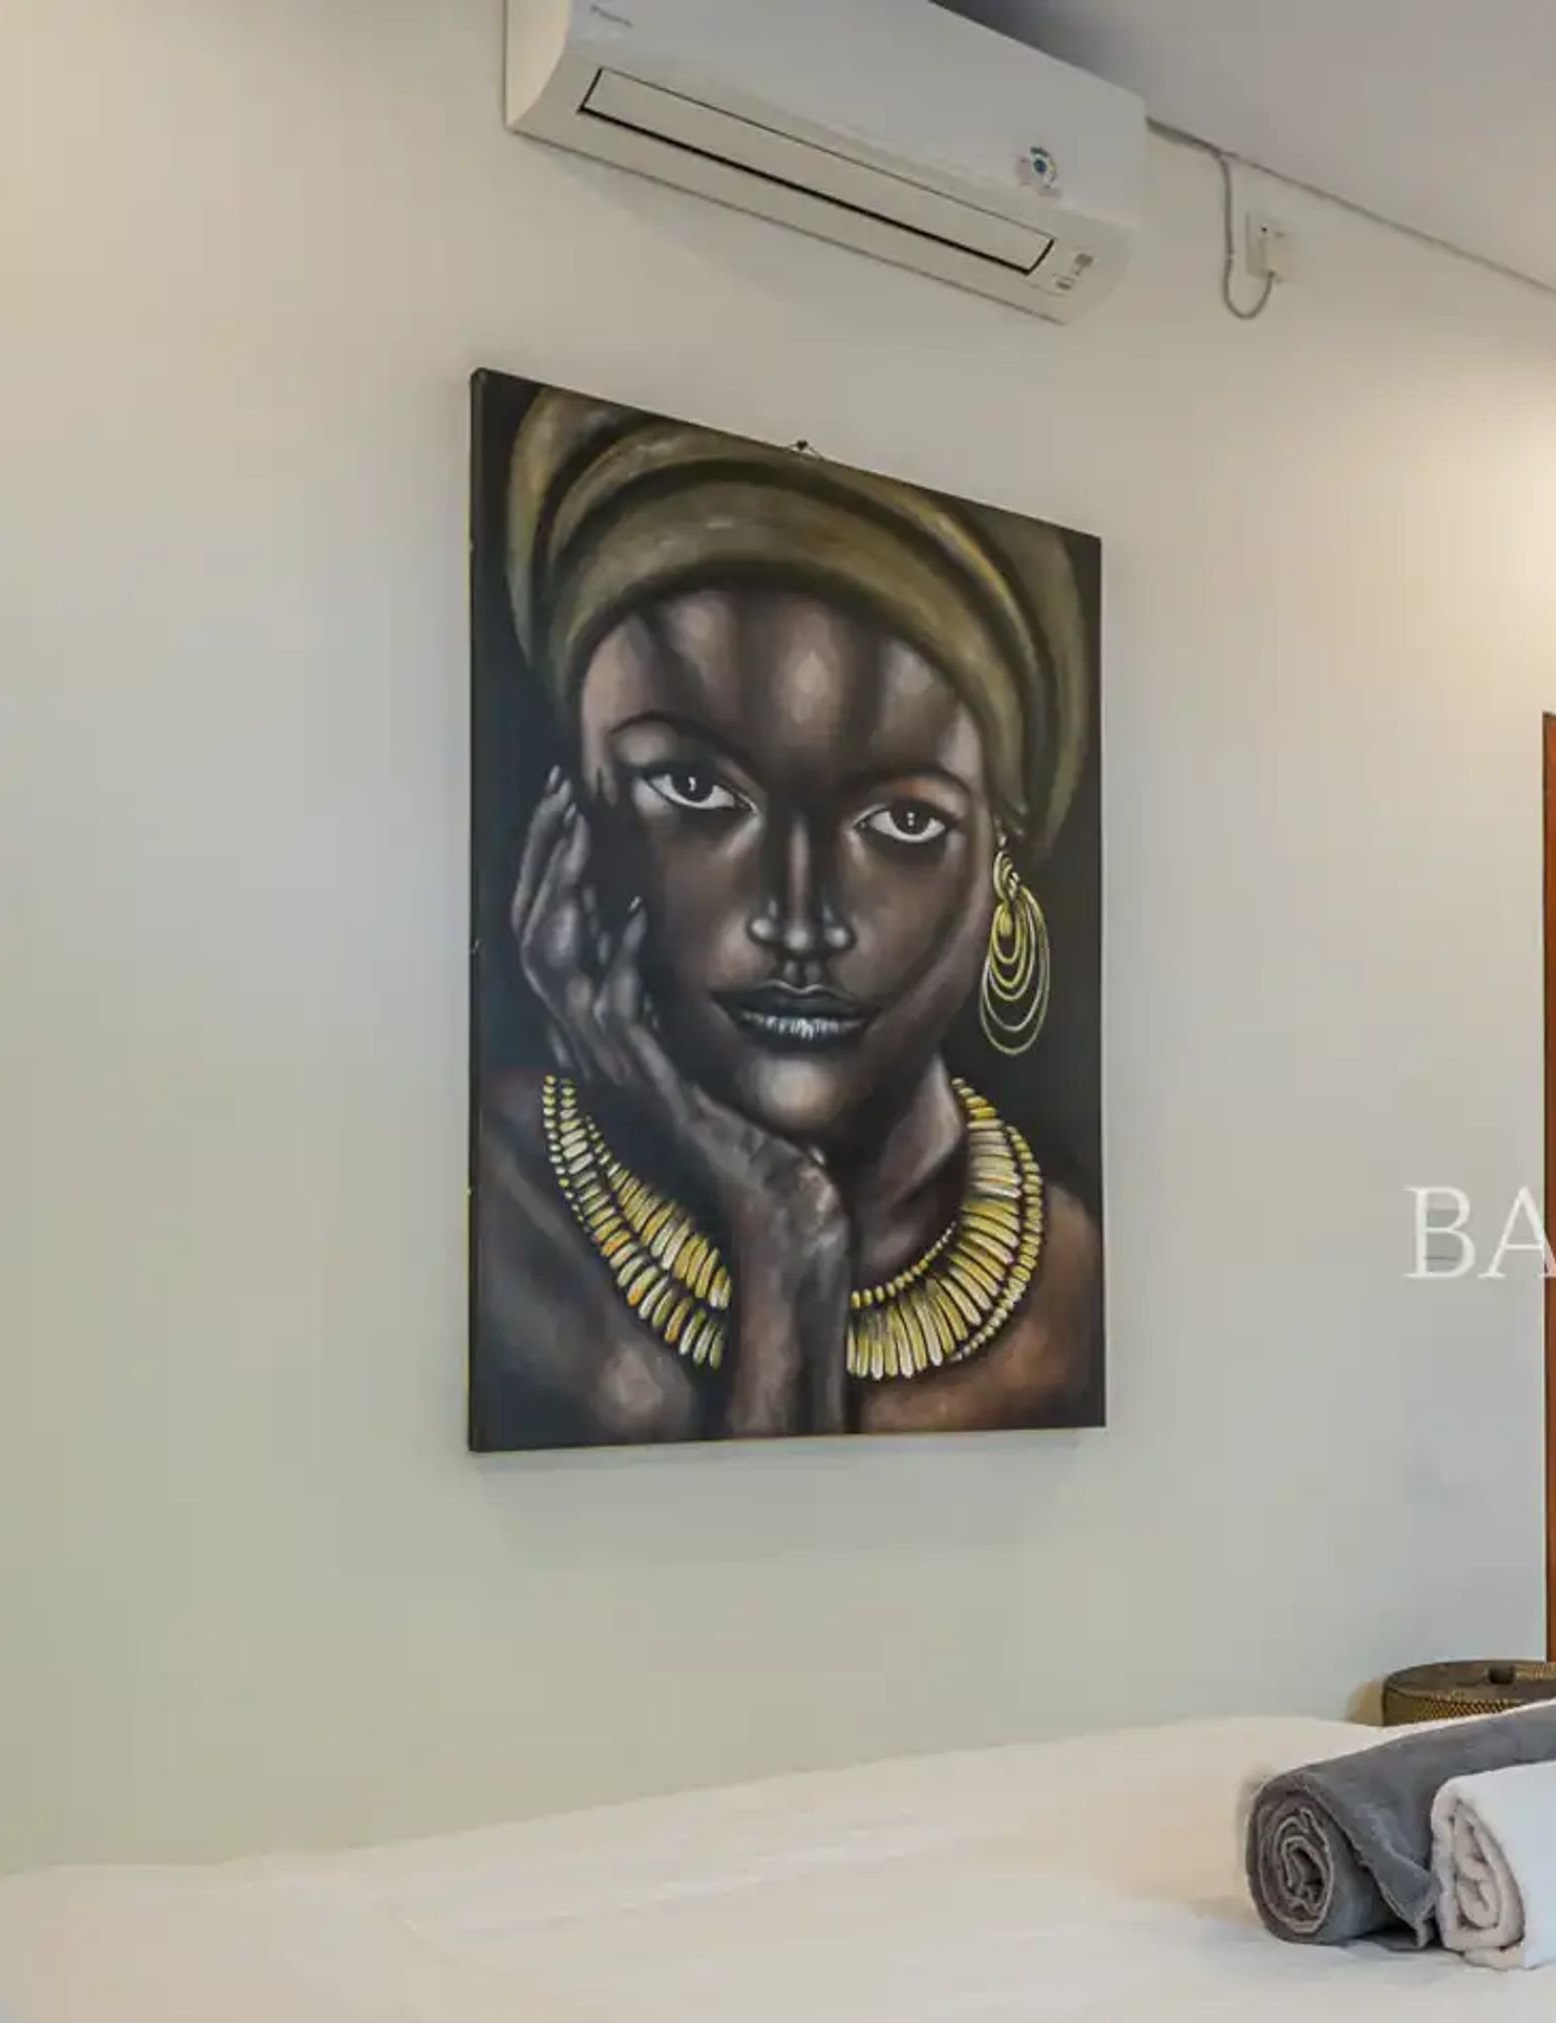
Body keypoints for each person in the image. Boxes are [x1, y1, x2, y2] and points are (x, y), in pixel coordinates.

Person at [469, 389, 1100, 1445]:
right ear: (570, 816)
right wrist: (782, 1227)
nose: (799, 921)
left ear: (1000, 861)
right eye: (696, 792)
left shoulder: (1072, 1287)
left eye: (903, 821)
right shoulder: (493, 1211)